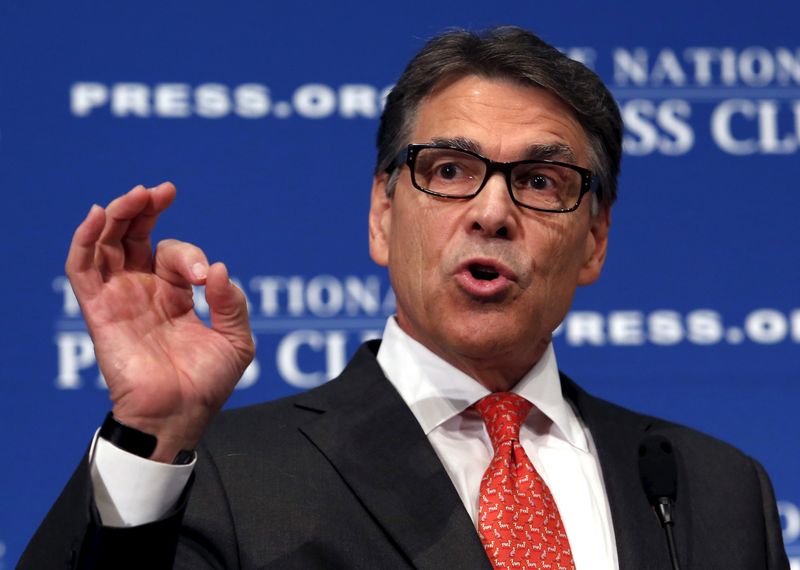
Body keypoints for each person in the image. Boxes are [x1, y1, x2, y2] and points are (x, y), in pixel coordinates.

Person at [21, 27, 788, 570]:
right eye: (450, 170)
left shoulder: (713, 489)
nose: (492, 212)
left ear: (594, 240)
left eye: (541, 181)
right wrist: (148, 435)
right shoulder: (225, 474)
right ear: (382, 216)